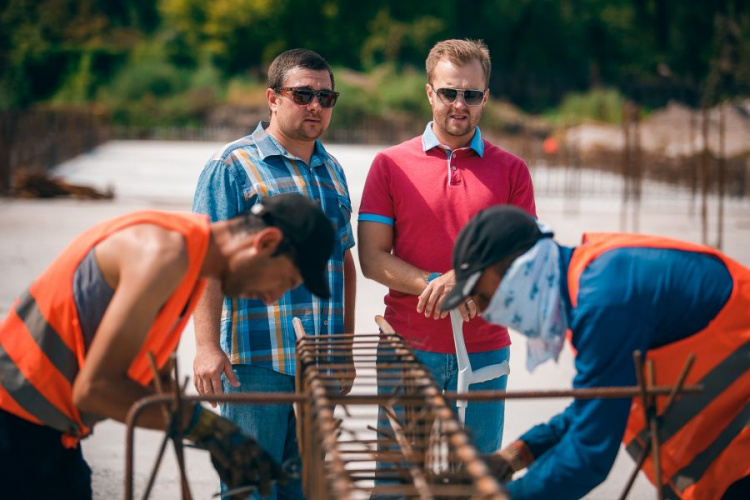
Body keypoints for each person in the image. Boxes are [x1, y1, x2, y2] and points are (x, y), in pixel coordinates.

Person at [0, 193, 337, 500]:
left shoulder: (190, 263)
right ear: (266, 242)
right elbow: (95, 388)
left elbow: (149, 381)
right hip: (13, 420)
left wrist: (220, 439)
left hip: (46, 430)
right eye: (285, 282)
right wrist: (206, 428)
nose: (273, 297)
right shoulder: (164, 254)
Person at [442, 205, 750, 500]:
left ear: (518, 269)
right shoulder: (590, 282)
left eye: (483, 295)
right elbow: (597, 403)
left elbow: (590, 454)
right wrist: (515, 456)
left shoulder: (604, 301)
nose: (483, 310)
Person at [357, 38, 535, 460]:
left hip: (486, 346)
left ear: (485, 98)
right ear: (429, 92)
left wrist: (471, 280)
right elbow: (371, 258)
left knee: (473, 481)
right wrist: (439, 285)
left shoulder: (513, 170)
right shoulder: (390, 164)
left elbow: (527, 259)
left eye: (471, 95)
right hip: (407, 346)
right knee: (398, 481)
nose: (460, 104)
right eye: (449, 92)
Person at [192, 48, 356, 499]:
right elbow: (207, 260)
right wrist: (207, 346)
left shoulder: (333, 170)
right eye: (303, 94)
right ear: (272, 97)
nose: (316, 107)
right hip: (255, 362)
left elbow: (344, 262)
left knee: (304, 489)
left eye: (327, 97)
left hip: (318, 363)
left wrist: (344, 349)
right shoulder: (232, 165)